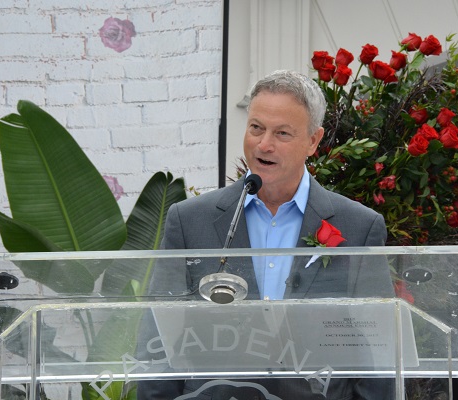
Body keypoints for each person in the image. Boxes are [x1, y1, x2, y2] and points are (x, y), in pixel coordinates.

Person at [137, 70, 395, 399]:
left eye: (282, 133)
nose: (264, 144)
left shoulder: (359, 227)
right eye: (256, 128)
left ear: (313, 141)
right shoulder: (189, 221)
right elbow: (156, 338)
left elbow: (376, 355)